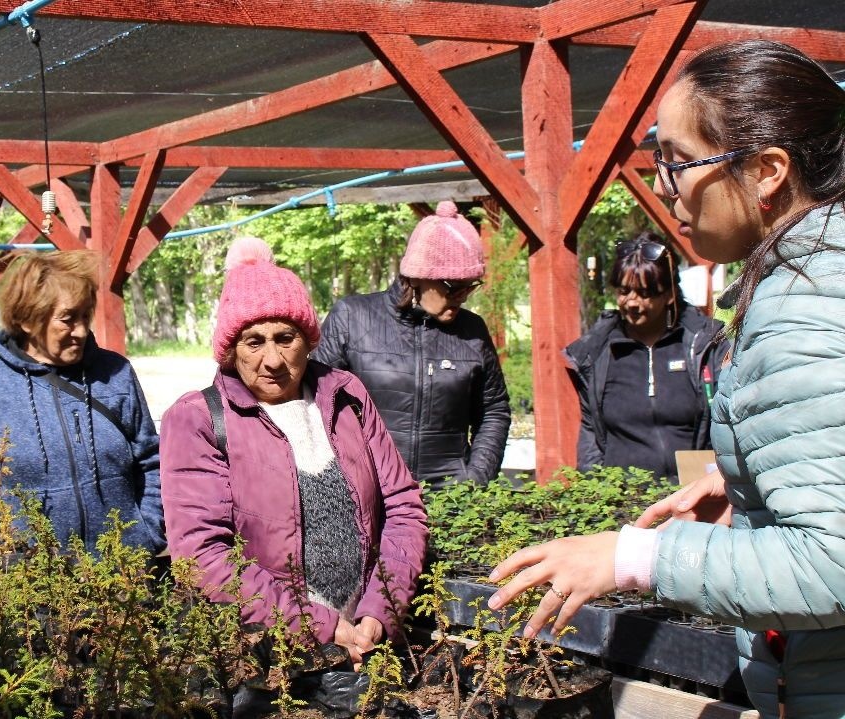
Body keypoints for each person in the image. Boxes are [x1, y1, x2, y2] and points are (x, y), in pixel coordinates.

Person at [486, 40, 845, 718]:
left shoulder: (805, 306)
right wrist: (749, 495)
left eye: (679, 163)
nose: (662, 188)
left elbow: (834, 563)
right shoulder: (816, 278)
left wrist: (635, 556)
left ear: (768, 171)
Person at [161, 236, 427, 667]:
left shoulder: (346, 396)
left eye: (285, 338)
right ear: (230, 351)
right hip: (268, 656)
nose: (272, 360)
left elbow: (403, 507)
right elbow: (200, 555)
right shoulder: (198, 420)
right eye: (253, 342)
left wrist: (381, 610)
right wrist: (318, 624)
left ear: (308, 339)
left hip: (368, 638)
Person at [0, 249, 163, 554]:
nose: (81, 331)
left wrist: (145, 535)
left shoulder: (117, 374)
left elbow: (153, 462)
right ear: (27, 320)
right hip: (29, 587)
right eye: (68, 319)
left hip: (124, 577)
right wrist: (5, 560)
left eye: (86, 315)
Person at [313, 201, 510, 489]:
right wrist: (343, 478)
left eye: (470, 286)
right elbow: (315, 403)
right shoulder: (352, 317)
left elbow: (493, 409)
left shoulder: (473, 331)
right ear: (416, 275)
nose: (463, 297)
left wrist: (475, 480)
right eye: (453, 287)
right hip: (371, 496)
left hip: (451, 500)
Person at [563, 232, 727, 483]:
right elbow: (590, 435)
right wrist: (593, 492)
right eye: (624, 290)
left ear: (669, 294)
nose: (632, 302)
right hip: (621, 502)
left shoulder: (704, 345)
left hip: (691, 498)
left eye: (645, 292)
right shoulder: (596, 354)